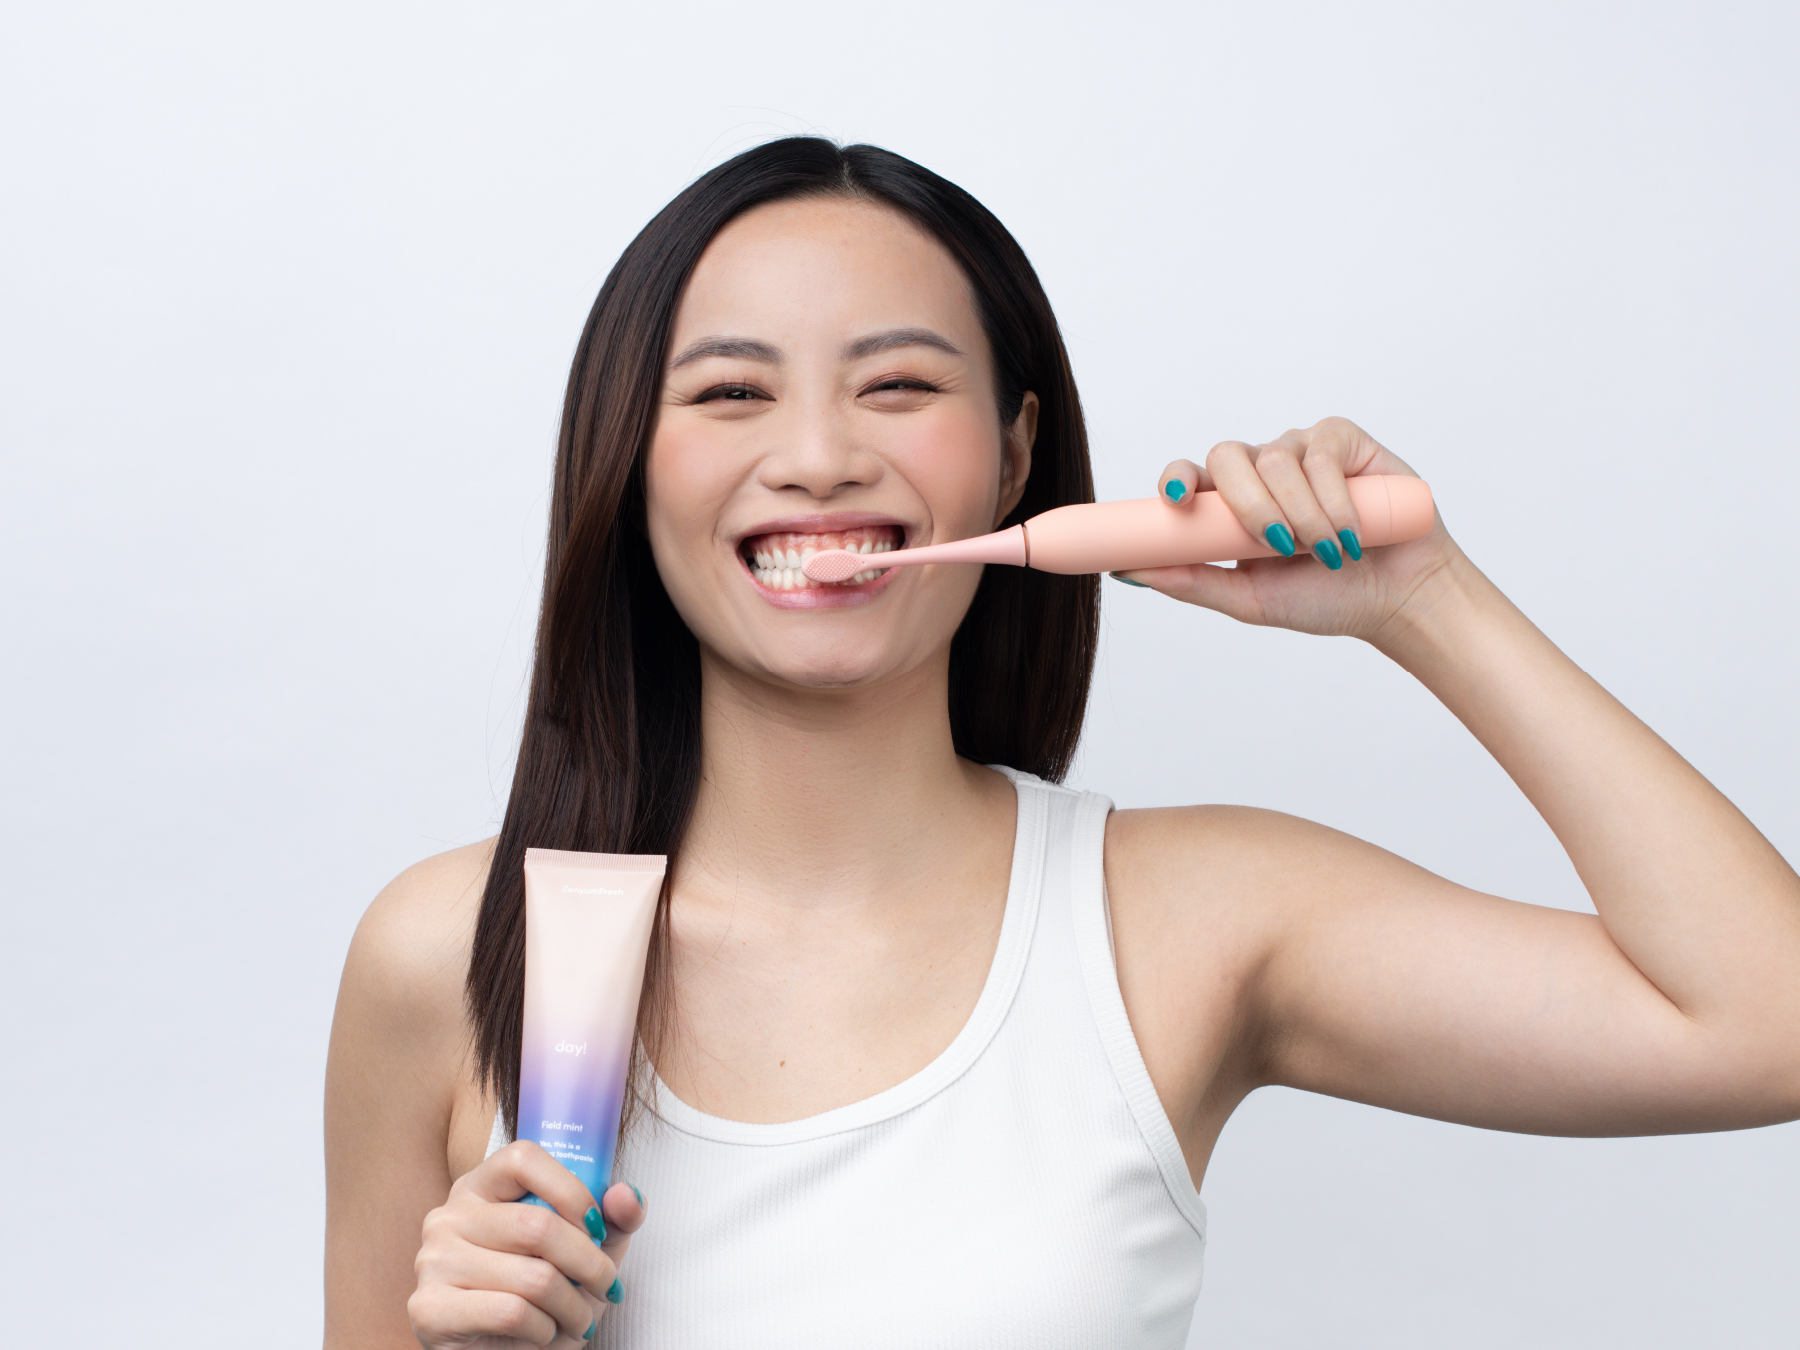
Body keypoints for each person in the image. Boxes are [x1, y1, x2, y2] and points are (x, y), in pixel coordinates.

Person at [323, 138, 1800, 1349]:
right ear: (629, 463)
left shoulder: (1188, 919)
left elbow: (1762, 1021)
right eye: (729, 392)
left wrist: (1428, 601)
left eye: (898, 384)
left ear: (1018, 452)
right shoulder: (447, 947)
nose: (823, 452)